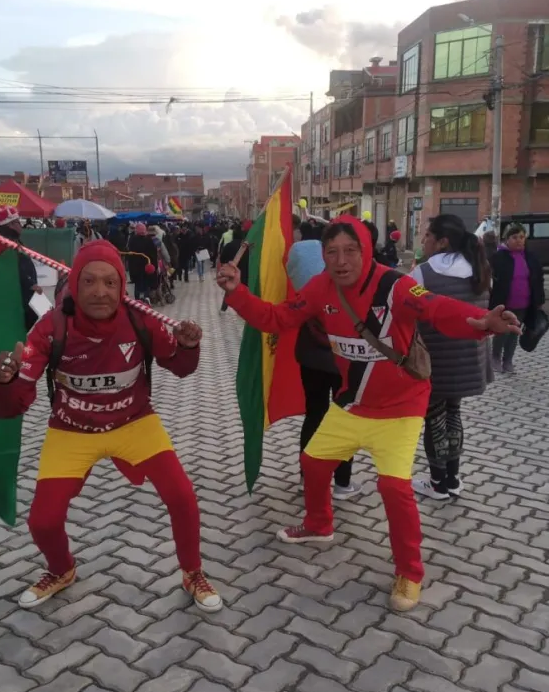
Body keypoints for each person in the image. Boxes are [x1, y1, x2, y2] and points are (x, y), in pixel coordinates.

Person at [216, 216, 520, 611]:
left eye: (350, 251)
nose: (341, 261)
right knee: (313, 461)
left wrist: (480, 322)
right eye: (332, 253)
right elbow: (277, 319)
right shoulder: (320, 288)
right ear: (322, 256)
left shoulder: (395, 285)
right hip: (353, 404)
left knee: (394, 489)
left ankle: (409, 573)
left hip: (402, 407)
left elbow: (435, 308)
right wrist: (237, 292)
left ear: (366, 251)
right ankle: (319, 523)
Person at [0, 241, 223, 612]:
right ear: (74, 287)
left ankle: (192, 572)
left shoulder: (140, 319)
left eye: (110, 283)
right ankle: (62, 569)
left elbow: (179, 367)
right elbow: (11, 406)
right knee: (42, 521)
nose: (100, 292)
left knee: (182, 496)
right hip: (71, 430)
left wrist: (188, 347)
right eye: (90, 282)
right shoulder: (51, 327)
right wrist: (4, 381)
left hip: (134, 422)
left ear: (122, 287)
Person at [410, 215, 493, 501]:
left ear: (442, 241)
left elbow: (407, 311)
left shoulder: (424, 273)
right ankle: (454, 478)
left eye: (428, 236)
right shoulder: (480, 268)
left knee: (434, 419)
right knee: (454, 414)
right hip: (469, 358)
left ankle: (437, 483)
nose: (424, 241)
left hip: (435, 360)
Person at [287, 238, 364, 501]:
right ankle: (342, 482)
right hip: (343, 359)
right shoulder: (347, 284)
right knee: (343, 419)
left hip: (311, 357)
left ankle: (306, 476)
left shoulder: (308, 286)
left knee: (314, 415)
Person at [490, 223, 545, 374]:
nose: (519, 240)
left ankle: (508, 360)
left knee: (515, 332)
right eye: (514, 237)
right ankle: (495, 357)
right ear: (506, 239)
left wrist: (539, 300)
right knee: (502, 332)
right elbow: (491, 281)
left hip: (524, 303)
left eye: (522, 237)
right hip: (504, 303)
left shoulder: (530, 257)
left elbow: (538, 279)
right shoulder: (499, 257)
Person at [0, 206, 42, 333]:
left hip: (21, 292)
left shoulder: (12, 240)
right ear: (11, 225)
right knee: (24, 319)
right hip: (18, 293)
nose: (21, 226)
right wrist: (30, 284)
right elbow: (12, 266)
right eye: (18, 222)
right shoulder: (6, 242)